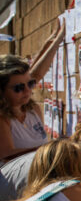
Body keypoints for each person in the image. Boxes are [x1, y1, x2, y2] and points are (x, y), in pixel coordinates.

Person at [0, 20, 65, 162]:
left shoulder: (32, 109)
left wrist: (55, 42)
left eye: (30, 84)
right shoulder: (3, 118)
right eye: (18, 88)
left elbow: (36, 73)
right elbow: (7, 155)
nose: (27, 91)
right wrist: (53, 149)